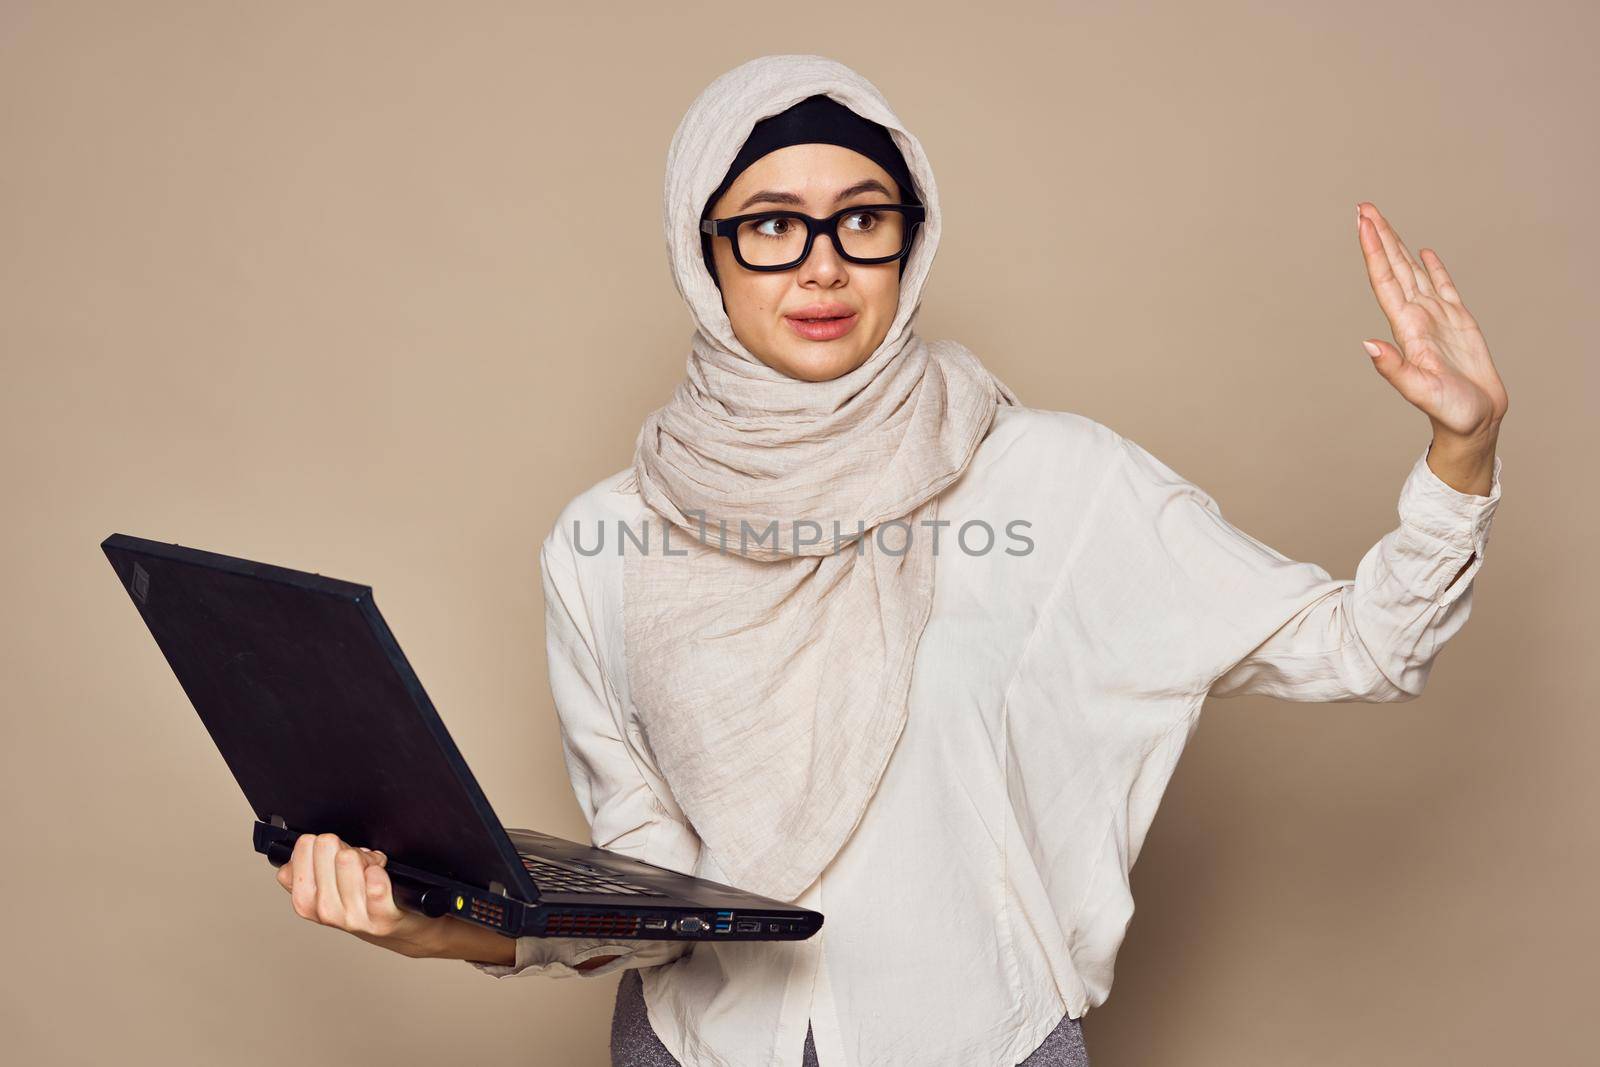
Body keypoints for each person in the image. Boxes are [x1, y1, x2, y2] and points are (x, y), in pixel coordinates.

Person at [271, 54, 1507, 1067]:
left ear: (908, 241)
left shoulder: (1053, 481)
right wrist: (430, 928)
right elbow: (648, 892)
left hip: (980, 1042)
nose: (820, 262)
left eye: (862, 218)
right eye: (768, 223)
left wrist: (1462, 450)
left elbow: (1366, 647)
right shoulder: (608, 537)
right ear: (699, 250)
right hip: (696, 1046)